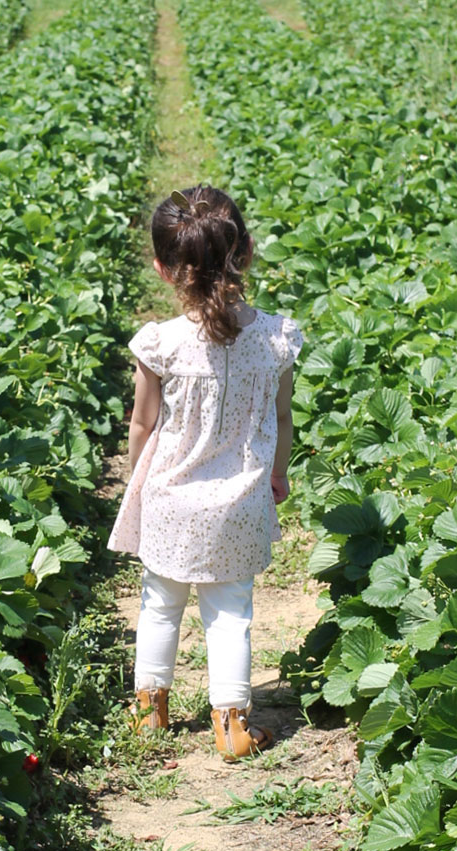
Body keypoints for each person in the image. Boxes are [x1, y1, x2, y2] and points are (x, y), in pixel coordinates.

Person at [108, 184, 303, 761]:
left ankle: (149, 710)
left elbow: (143, 426)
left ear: (163, 269)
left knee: (160, 603)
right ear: (245, 250)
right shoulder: (275, 338)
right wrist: (277, 475)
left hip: (170, 497)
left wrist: (135, 484)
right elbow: (282, 416)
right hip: (240, 500)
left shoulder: (161, 344)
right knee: (230, 610)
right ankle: (233, 725)